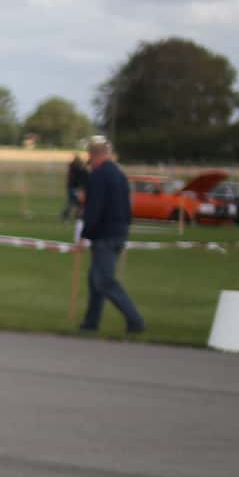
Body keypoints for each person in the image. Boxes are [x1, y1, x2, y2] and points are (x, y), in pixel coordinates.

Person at [77, 136, 144, 335]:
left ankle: (135, 321)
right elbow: (127, 206)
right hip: (119, 232)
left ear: (93, 155)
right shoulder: (119, 174)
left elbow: (94, 209)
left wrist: (84, 235)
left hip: (104, 234)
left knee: (104, 281)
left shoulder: (98, 176)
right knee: (94, 279)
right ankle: (91, 322)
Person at [62, 153, 88, 219]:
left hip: (72, 187)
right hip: (75, 188)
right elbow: (83, 177)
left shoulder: (73, 168)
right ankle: (71, 215)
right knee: (76, 203)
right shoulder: (78, 170)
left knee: (73, 202)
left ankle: (71, 215)